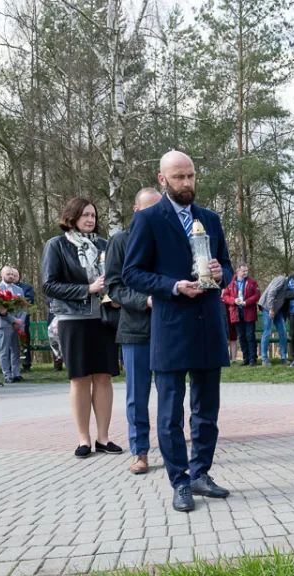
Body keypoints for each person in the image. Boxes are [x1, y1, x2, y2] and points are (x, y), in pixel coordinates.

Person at [123, 150, 233, 512]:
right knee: (170, 412)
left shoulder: (211, 220)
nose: (187, 183)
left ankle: (201, 472)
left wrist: (221, 274)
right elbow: (132, 273)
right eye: (179, 177)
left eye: (191, 176)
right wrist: (173, 286)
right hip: (171, 326)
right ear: (162, 180)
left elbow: (228, 268)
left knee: (207, 409)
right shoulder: (149, 220)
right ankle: (180, 480)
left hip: (208, 325)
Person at [41, 197, 122, 457]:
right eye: (86, 215)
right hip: (72, 320)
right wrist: (87, 289)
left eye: (94, 215)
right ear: (72, 217)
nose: (91, 219)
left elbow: (118, 277)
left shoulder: (105, 245)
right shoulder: (57, 245)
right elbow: (49, 285)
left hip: (104, 319)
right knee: (79, 379)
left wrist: (117, 296)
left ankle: (104, 438)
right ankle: (84, 439)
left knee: (104, 377)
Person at [106, 187, 162, 475]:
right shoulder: (121, 240)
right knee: (137, 396)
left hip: (168, 329)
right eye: (148, 209)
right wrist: (146, 301)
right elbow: (114, 287)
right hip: (135, 329)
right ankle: (139, 451)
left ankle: (171, 446)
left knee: (170, 394)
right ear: (136, 210)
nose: (155, 215)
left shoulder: (170, 238)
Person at [221, 264, 260, 366]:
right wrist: (234, 300)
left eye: (247, 271)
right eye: (243, 271)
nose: (245, 273)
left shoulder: (252, 283)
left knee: (250, 336)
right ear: (238, 271)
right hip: (236, 313)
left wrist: (246, 302)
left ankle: (253, 359)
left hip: (249, 312)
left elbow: (257, 295)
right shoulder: (231, 284)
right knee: (242, 336)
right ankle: (245, 358)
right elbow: (224, 296)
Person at [0, 267, 27, 383]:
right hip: (5, 324)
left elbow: (24, 306)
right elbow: (0, 308)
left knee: (16, 350)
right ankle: (7, 374)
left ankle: (16, 373)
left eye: (12, 275)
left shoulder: (19, 289)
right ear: (2, 275)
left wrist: (21, 320)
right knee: (5, 350)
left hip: (19, 324)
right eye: (8, 274)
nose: (11, 276)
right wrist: (13, 320)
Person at [259, 274, 290, 365]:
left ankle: (283, 357)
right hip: (267, 307)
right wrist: (271, 309)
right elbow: (271, 292)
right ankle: (264, 359)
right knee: (267, 331)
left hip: (277, 309)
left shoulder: (292, 286)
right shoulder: (281, 280)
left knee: (283, 331)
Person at [15, 271, 36, 372]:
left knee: (24, 342)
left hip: (23, 320)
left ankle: (26, 364)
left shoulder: (26, 287)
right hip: (8, 320)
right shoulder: (2, 287)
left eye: (15, 275)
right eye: (10, 274)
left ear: (19, 276)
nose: (13, 277)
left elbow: (30, 300)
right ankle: (11, 365)